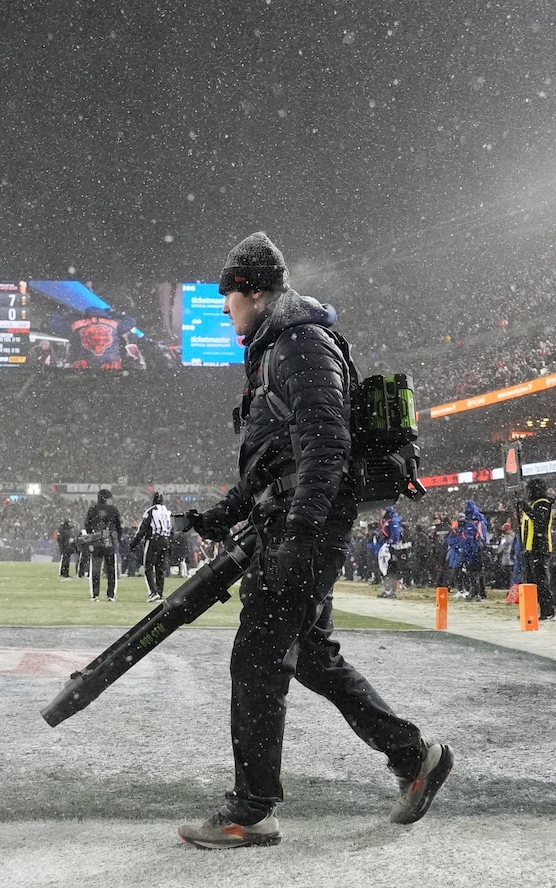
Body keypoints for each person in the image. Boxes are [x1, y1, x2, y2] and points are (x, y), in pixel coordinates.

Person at [178, 231, 450, 850]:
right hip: (296, 521)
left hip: (307, 528)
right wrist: (223, 515)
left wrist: (301, 531)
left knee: (256, 658)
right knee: (311, 656)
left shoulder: (300, 342)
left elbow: (325, 447)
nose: (225, 310)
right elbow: (276, 460)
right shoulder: (277, 347)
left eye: (230, 297)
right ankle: (415, 758)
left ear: (253, 291)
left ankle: (252, 810)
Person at [516, 478, 556, 620]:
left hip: (540, 548)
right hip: (530, 548)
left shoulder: (543, 504)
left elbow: (539, 520)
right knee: (529, 582)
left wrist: (525, 508)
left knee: (540, 582)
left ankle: (547, 611)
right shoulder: (535, 504)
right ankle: (530, 610)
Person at [130, 493, 174, 602]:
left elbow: (143, 529)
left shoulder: (151, 511)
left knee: (148, 566)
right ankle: (159, 592)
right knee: (160, 568)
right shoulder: (168, 512)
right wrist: (170, 545)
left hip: (154, 540)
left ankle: (153, 592)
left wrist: (133, 544)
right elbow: (172, 529)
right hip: (165, 540)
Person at [83, 488, 122, 601]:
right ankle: (111, 595)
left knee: (95, 569)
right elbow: (119, 527)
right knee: (111, 570)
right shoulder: (113, 510)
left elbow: (87, 526)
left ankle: (95, 594)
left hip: (97, 543)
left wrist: (92, 538)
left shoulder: (92, 509)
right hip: (109, 542)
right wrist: (117, 539)